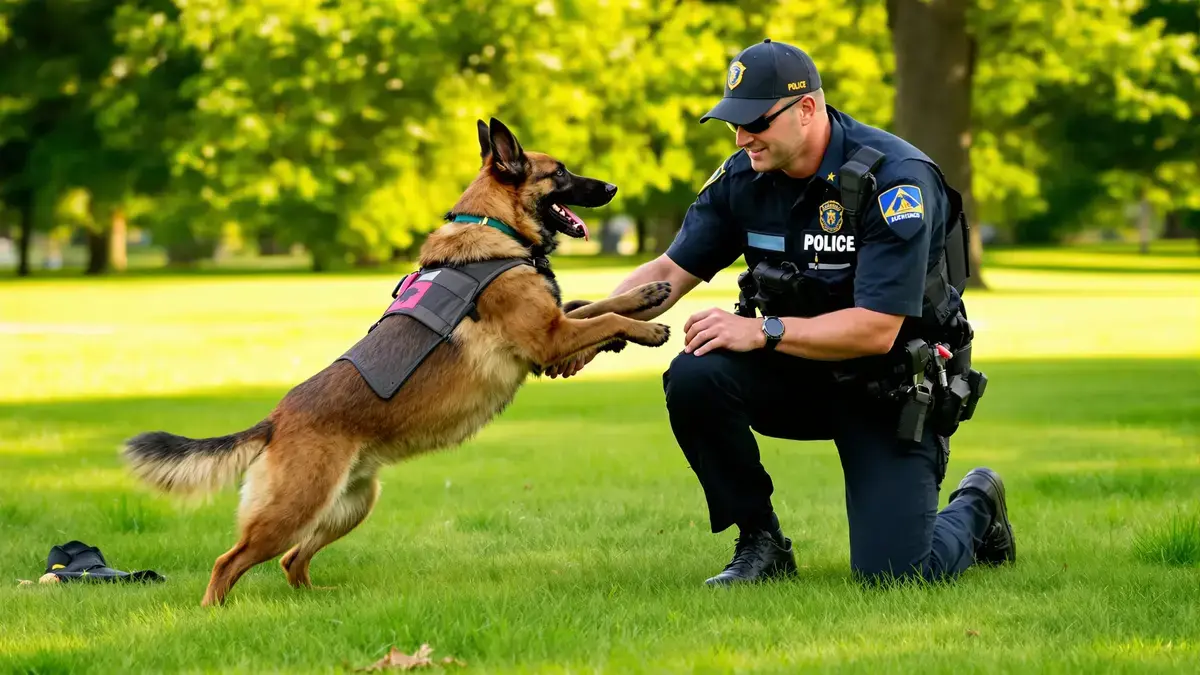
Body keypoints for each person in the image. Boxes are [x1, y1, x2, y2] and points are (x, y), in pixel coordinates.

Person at [549, 39, 1014, 586]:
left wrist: (763, 330)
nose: (742, 138)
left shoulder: (896, 181)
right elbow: (671, 270)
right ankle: (761, 541)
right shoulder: (743, 176)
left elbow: (876, 329)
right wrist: (585, 330)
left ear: (807, 109)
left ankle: (979, 505)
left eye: (755, 123)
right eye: (733, 124)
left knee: (896, 577)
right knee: (696, 375)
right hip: (795, 377)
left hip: (887, 388)